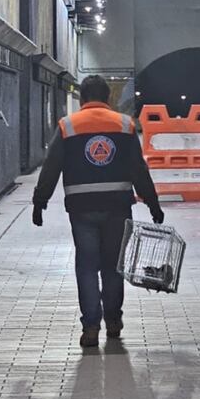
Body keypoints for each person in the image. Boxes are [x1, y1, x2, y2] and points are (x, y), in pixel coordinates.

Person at [31, 75, 163, 347]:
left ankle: (91, 328)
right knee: (113, 267)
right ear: (107, 98)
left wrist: (40, 201)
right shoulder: (125, 125)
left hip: (81, 208)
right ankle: (113, 321)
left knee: (87, 267)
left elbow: (51, 167)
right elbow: (139, 169)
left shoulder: (68, 126)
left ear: (82, 98)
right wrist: (152, 202)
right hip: (118, 206)